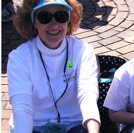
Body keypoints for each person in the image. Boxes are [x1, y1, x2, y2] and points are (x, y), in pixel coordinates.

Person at [8, 0, 100, 132]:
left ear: (68, 20)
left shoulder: (83, 50)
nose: (54, 24)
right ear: (34, 22)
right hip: (35, 126)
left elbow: (87, 93)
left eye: (61, 16)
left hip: (75, 125)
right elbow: (22, 107)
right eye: (44, 17)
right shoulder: (19, 57)